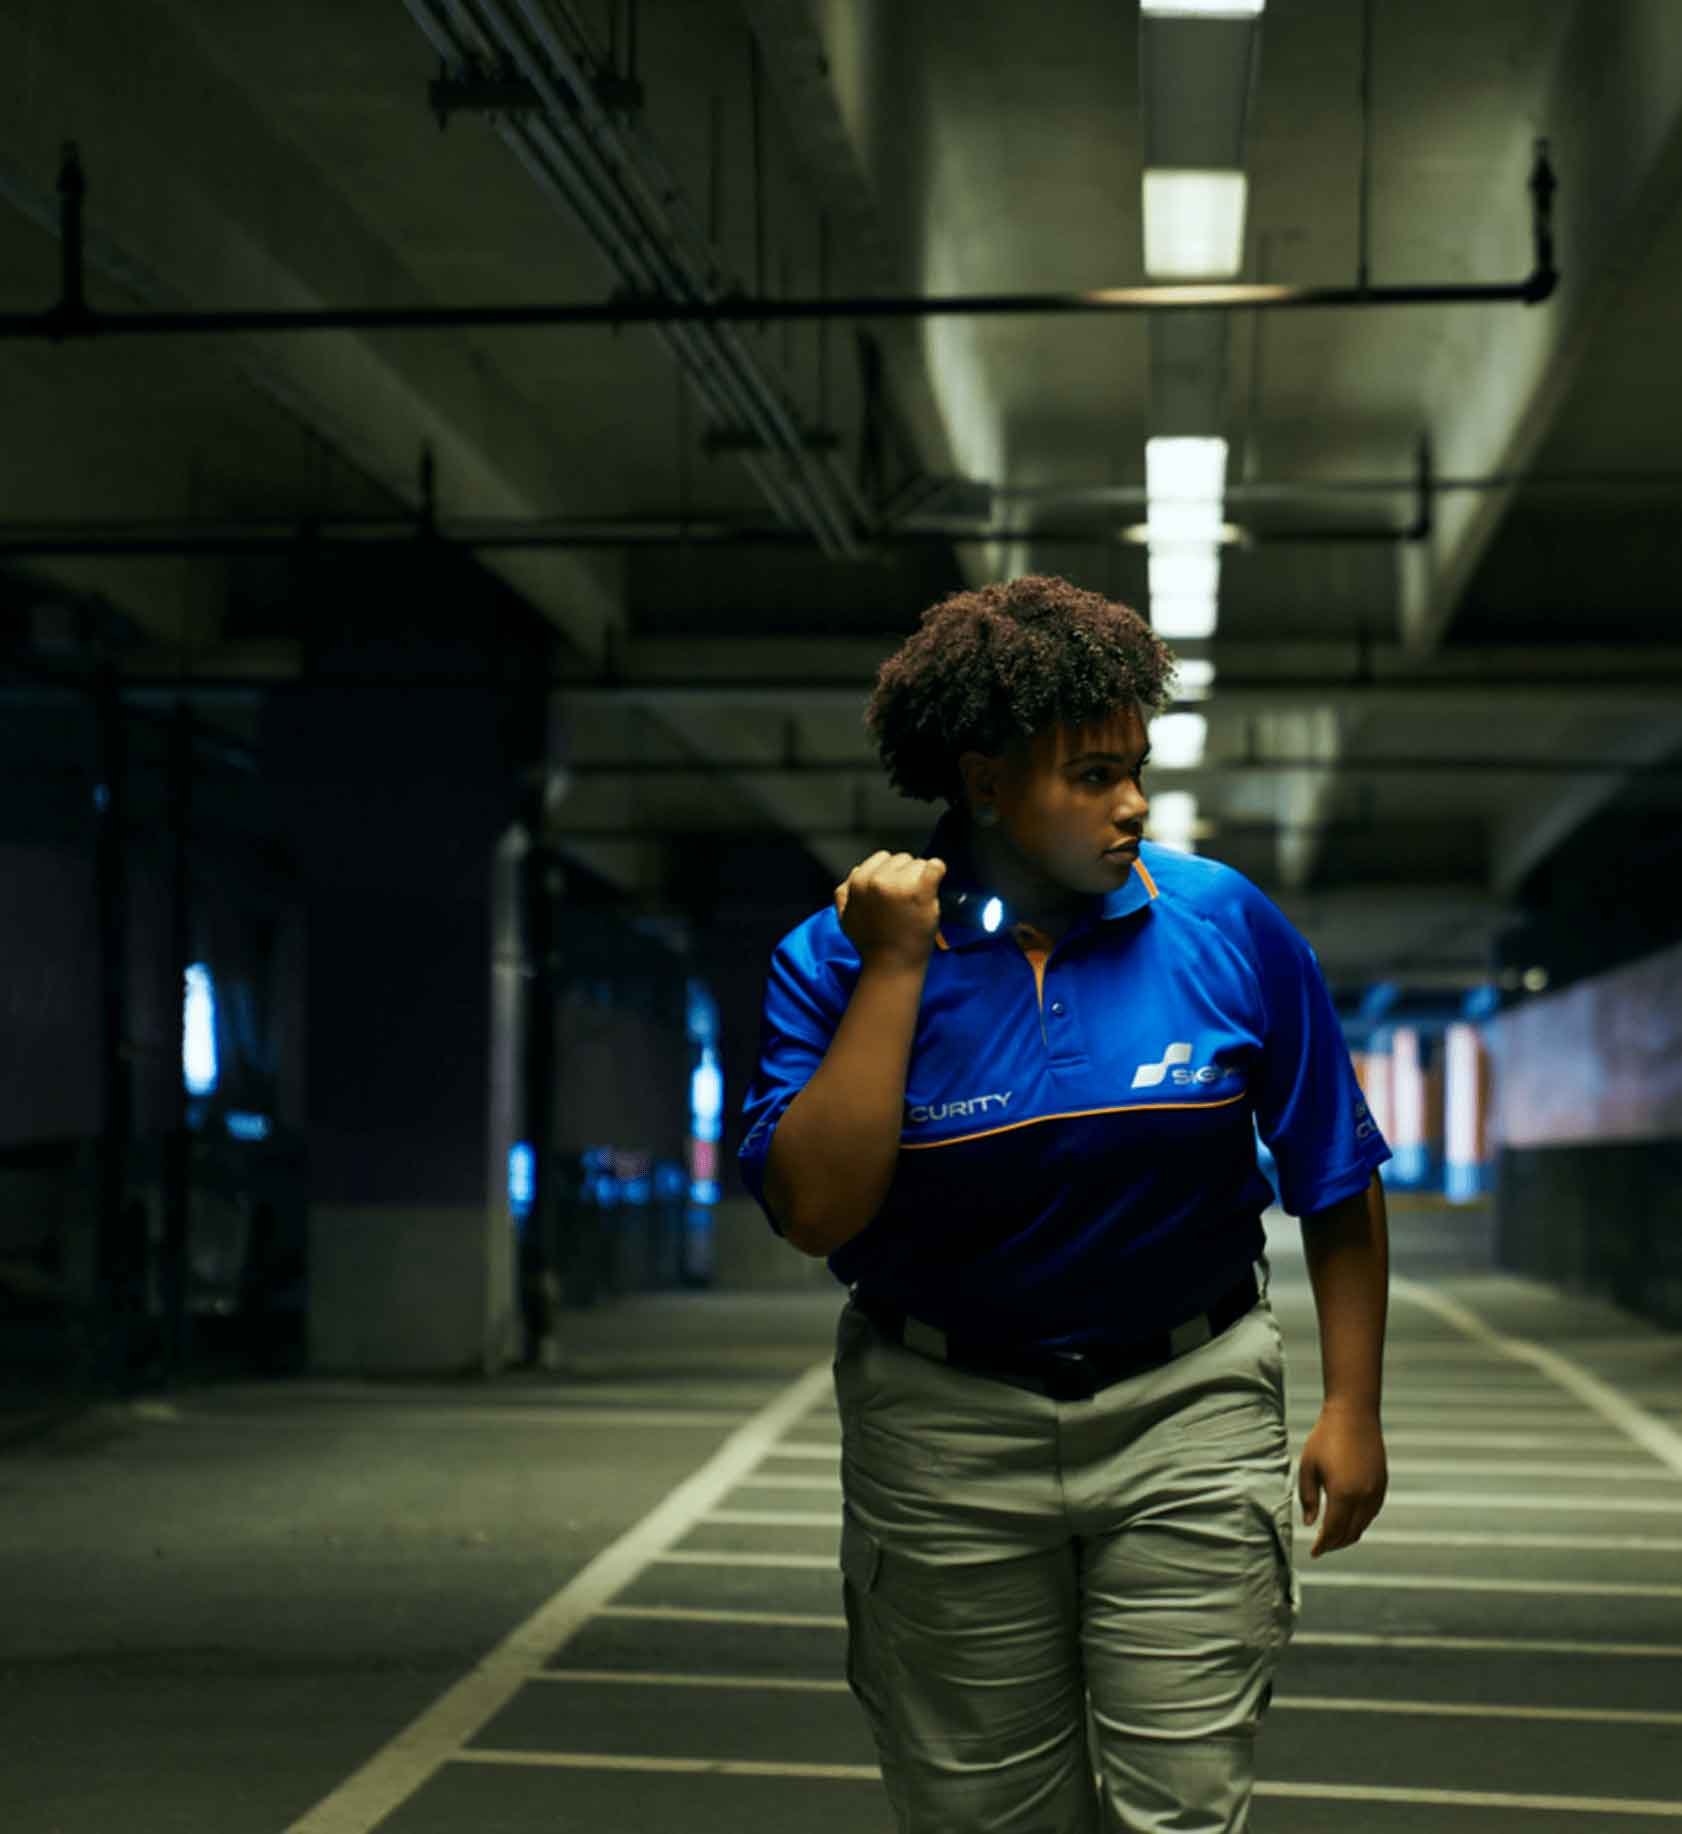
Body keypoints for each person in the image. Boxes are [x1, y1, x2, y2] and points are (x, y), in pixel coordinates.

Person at [737, 575, 1392, 1833]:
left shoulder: (1225, 927)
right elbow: (815, 1209)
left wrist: (1350, 1406)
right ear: (983, 784)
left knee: (1183, 1809)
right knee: (983, 1814)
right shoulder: (833, 958)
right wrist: (893, 969)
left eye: (1133, 766)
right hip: (942, 1428)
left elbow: (1333, 1176)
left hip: (1187, 1415)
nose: (1132, 802)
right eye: (1090, 774)